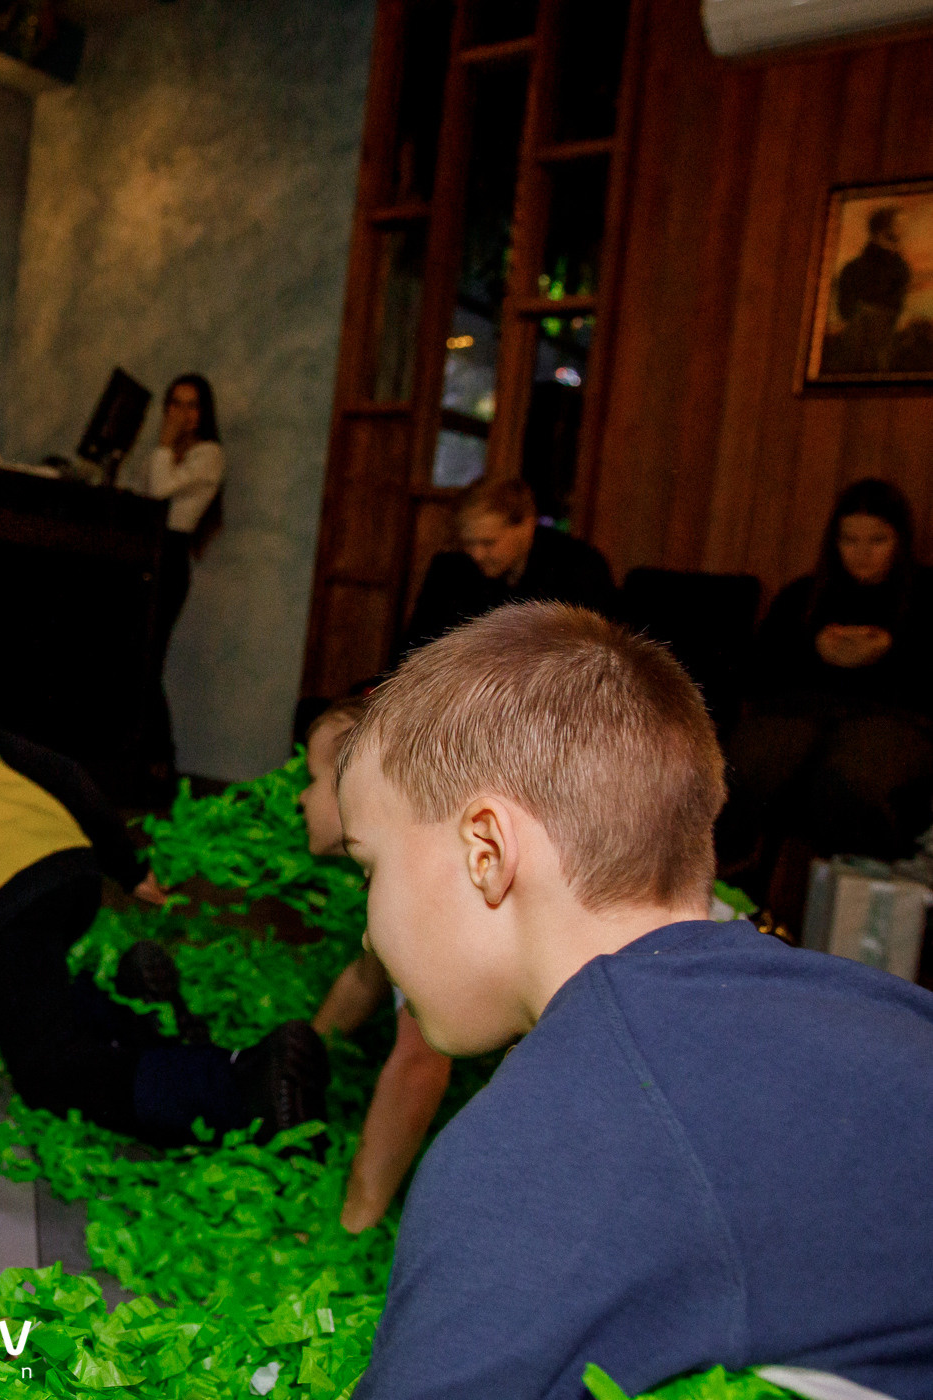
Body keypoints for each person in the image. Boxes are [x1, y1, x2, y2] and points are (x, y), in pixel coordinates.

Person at [343, 602, 933, 1399]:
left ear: (485, 852)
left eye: (369, 868)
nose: (372, 934)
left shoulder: (552, 1138)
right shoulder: (872, 1006)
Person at [0, 702, 330, 1148]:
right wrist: (128, 867)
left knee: (48, 1068)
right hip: (67, 856)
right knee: (22, 996)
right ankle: (138, 1016)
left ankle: (240, 1085)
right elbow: (63, 771)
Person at [720, 478, 933, 882]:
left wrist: (889, 651)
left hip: (894, 719)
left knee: (850, 780)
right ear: (833, 541)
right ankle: (729, 885)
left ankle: (856, 896)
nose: (863, 555)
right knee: (746, 768)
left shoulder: (923, 597)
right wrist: (815, 649)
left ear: (900, 541)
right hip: (798, 713)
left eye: (878, 541)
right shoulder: (805, 595)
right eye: (850, 540)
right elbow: (758, 673)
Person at [301, 699, 452, 1233]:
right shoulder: (396, 875)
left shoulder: (420, 896)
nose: (301, 797)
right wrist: (297, 1059)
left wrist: (353, 1219)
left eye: (313, 778)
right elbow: (366, 979)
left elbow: (419, 1067)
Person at [117, 374, 226, 780]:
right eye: (175, 403)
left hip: (170, 558)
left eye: (191, 405)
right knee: (131, 657)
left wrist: (163, 444)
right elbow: (136, 494)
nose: (182, 413)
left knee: (148, 658)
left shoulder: (209, 454)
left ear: (203, 413)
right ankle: (135, 756)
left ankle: (161, 761)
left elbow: (161, 491)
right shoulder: (162, 453)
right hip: (142, 556)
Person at [397, 475, 615, 656]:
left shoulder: (579, 568)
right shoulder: (450, 567)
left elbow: (589, 656)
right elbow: (415, 648)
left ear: (527, 525)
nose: (476, 554)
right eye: (468, 543)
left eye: (488, 543)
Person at [830, 206, 910, 374]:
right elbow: (845, 310)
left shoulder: (901, 268)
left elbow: (896, 309)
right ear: (883, 229)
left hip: (882, 347)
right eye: (899, 224)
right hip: (856, 349)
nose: (904, 230)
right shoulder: (852, 269)